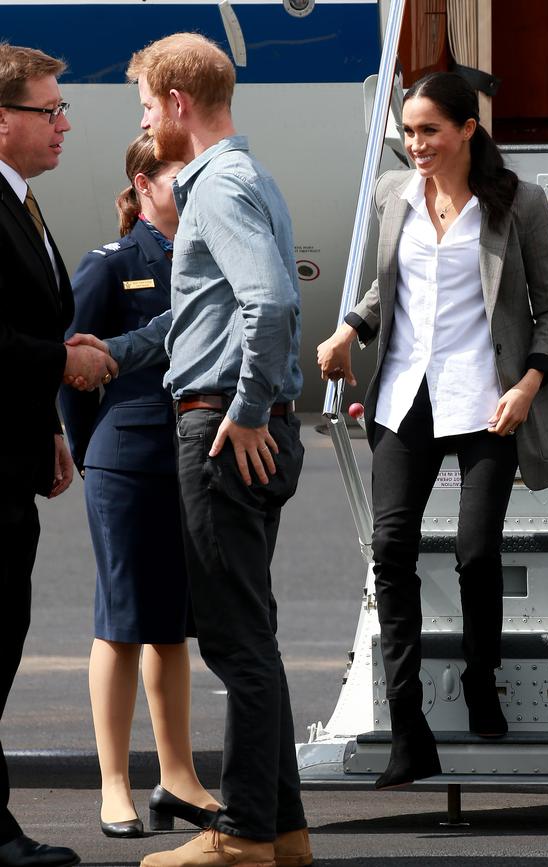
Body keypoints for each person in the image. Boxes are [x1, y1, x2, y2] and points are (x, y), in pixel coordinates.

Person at [67, 32, 312, 867]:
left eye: (144, 106)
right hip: (237, 419)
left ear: (175, 104)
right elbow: (196, 319)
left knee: (235, 640)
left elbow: (271, 306)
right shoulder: (253, 180)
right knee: (254, 632)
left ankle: (242, 835)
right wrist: (114, 351)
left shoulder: (214, 187)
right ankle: (282, 827)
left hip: (222, 428)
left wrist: (244, 410)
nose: (142, 120)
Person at [317, 71, 548, 790]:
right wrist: (349, 328)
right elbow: (388, 284)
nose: (416, 144)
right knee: (391, 549)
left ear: (468, 128)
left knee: (473, 551)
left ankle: (482, 677)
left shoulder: (515, 203)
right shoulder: (393, 194)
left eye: (429, 130)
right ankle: (410, 728)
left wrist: (529, 383)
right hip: (406, 396)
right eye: (408, 132)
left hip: (487, 399)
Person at [59, 133, 219, 839]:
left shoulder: (208, 258)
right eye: (181, 176)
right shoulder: (112, 263)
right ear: (144, 181)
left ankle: (178, 773)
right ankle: (115, 782)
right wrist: (88, 449)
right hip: (124, 459)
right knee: (122, 622)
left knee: (173, 624)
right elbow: (72, 365)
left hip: (187, 457)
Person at [0, 42, 116, 867]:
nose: (64, 124)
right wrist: (61, 364)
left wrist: (45, 422)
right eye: (49, 109)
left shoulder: (21, 200)